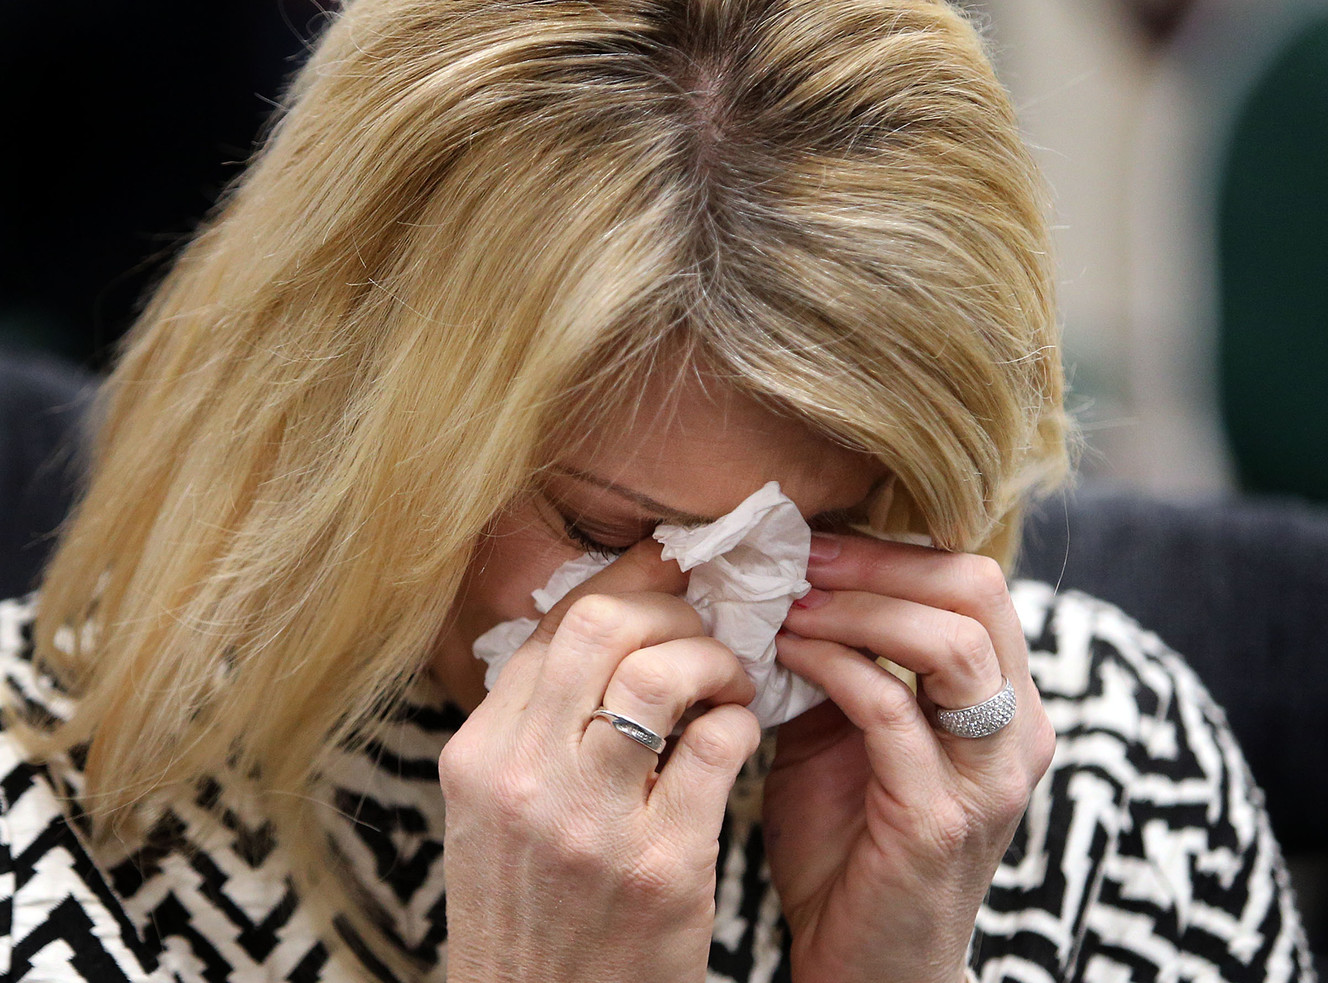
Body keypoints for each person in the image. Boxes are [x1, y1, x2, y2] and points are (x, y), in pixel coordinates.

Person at [0, 0, 1313, 980]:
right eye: (605, 532)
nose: (722, 641)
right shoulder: (52, 840)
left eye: (836, 533)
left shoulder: (1113, 772)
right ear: (353, 423)